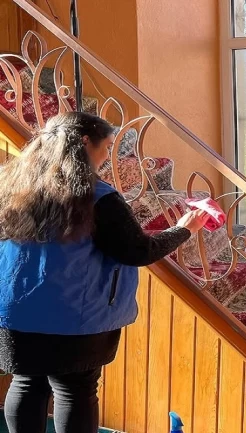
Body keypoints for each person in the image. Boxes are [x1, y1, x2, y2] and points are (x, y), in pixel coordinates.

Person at [0, 112, 210, 433]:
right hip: (75, 317)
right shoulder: (97, 197)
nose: (106, 156)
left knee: (27, 381)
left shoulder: (12, 187)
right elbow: (137, 251)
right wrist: (185, 229)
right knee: (75, 390)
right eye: (106, 147)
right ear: (86, 143)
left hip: (17, 313)